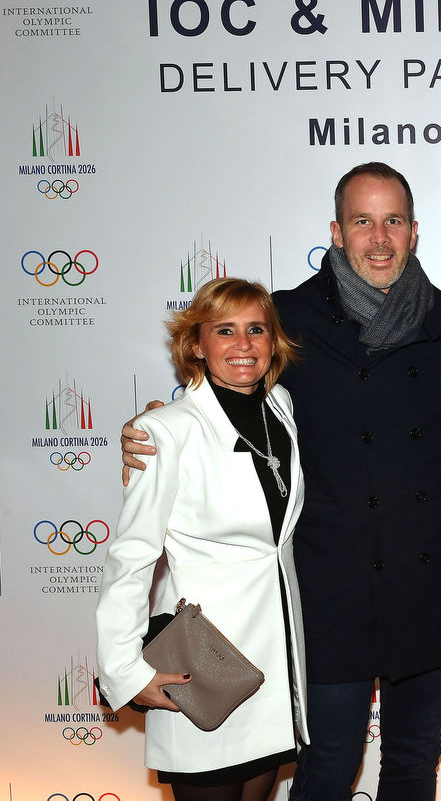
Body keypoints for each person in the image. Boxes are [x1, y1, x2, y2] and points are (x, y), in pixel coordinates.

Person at [121, 163, 441, 801]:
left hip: (424, 581)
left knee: (415, 763)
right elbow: (227, 395)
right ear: (337, 232)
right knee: (327, 766)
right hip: (329, 589)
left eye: (393, 221)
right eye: (363, 222)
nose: (380, 238)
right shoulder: (289, 319)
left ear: (414, 232)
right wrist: (154, 428)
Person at [97, 277, 307, 801]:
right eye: (225, 330)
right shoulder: (164, 433)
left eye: (256, 329)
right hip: (205, 665)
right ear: (196, 344)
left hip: (274, 667)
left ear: (273, 341)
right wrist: (124, 671)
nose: (244, 344)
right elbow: (131, 557)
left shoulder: (282, 410)